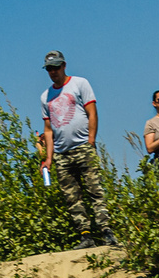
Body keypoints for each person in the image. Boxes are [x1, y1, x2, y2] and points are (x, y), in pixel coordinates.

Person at [37, 51, 112, 248]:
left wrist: (91, 141)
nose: (53, 71)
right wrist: (48, 158)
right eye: (49, 69)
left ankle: (106, 231)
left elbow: (92, 112)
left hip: (83, 147)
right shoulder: (45, 97)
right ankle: (85, 236)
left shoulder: (80, 83)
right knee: (72, 197)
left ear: (64, 65)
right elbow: (48, 130)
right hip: (62, 153)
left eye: (56, 67)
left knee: (95, 190)